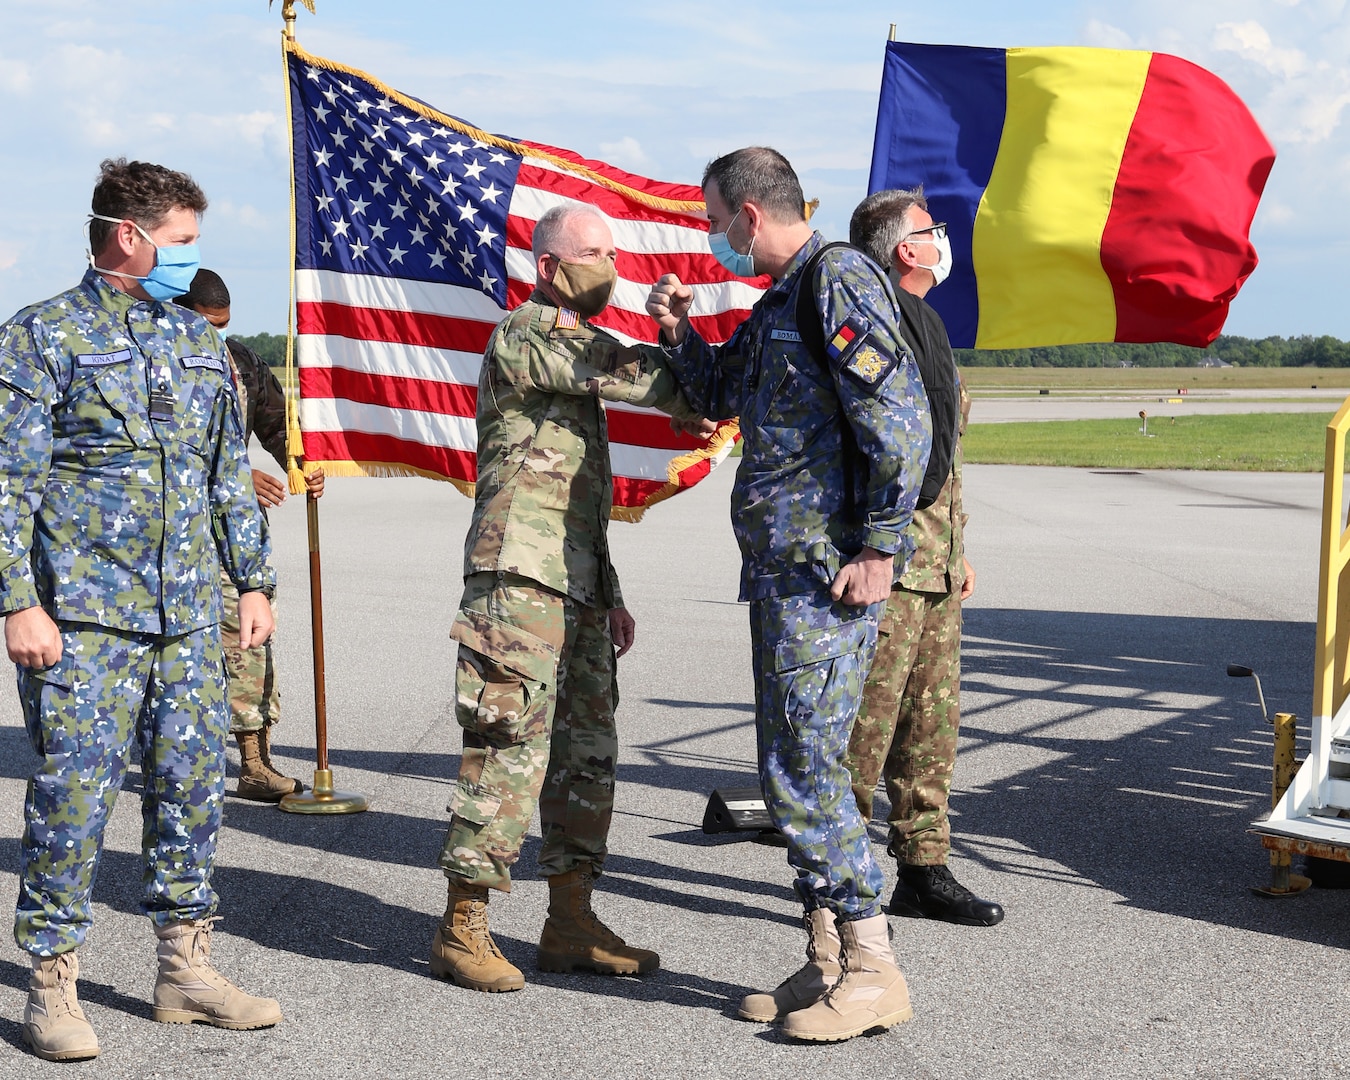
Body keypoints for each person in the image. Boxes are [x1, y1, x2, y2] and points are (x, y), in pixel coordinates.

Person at [646, 147, 932, 1043]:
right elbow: (720, 391)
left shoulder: (837, 279)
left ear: (746, 215)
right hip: (786, 574)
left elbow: (902, 423)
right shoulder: (784, 296)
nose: (712, 240)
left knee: (807, 767)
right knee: (790, 764)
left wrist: (882, 548)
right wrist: (677, 331)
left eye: (711, 221)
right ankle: (827, 959)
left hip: (829, 574)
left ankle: (874, 965)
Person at [0, 158, 283, 1063]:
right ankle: (53, 982)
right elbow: (9, 484)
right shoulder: (43, 336)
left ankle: (184, 971)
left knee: (192, 794)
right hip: (81, 620)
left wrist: (251, 580)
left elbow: (224, 476)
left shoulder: (199, 343)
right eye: (182, 241)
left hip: (190, 620)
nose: (188, 259)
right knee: (72, 802)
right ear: (131, 235)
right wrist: (17, 605)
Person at [431, 203, 705, 994]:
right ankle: (463, 924)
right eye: (594, 252)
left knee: (586, 755)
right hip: (516, 581)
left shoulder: (574, 358)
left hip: (575, 582)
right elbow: (654, 382)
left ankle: (570, 919)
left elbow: (577, 492)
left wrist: (608, 589)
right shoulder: (529, 334)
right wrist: (681, 345)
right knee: (507, 747)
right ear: (550, 264)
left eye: (611, 253)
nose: (609, 266)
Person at [845, 188, 1004, 928]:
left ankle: (923, 867)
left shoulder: (928, 323)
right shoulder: (873, 325)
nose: (944, 240)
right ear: (906, 249)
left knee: (932, 725)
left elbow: (942, 452)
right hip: (887, 564)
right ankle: (837, 879)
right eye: (931, 230)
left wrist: (958, 548)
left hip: (934, 563)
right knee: (862, 730)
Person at [176, 268, 324, 802]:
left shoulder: (242, 362)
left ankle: (254, 762)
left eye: (223, 326)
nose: (216, 337)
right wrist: (238, 477)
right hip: (167, 534)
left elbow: (279, 424)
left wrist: (303, 462)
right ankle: (170, 754)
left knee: (248, 640)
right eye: (207, 325)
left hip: (232, 536)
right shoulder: (152, 362)